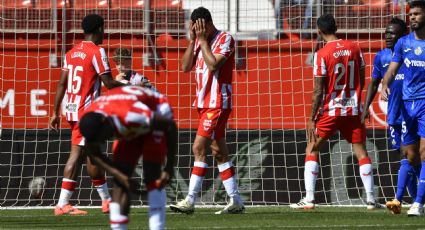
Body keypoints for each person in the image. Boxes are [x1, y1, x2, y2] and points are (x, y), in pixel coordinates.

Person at [289, 14, 382, 210]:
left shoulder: (322, 54)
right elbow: (363, 78)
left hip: (332, 110)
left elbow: (318, 90)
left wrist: (311, 118)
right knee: (361, 151)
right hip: (353, 109)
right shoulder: (355, 47)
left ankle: (309, 199)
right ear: (337, 26)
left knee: (312, 148)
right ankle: (371, 199)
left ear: (318, 31)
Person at [169, 6, 244, 214]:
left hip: (217, 102)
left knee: (198, 148)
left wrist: (201, 41)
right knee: (219, 152)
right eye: (194, 28)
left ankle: (190, 200)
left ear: (208, 24)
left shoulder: (225, 39)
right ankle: (236, 201)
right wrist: (193, 40)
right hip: (203, 103)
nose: (198, 30)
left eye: (200, 27)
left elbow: (213, 65)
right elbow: (184, 67)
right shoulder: (198, 40)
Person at [49, 14, 124, 215]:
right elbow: (108, 83)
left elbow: (62, 84)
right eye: (103, 29)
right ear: (99, 29)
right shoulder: (97, 52)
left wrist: (55, 112)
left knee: (93, 155)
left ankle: (106, 201)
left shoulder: (71, 53)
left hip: (72, 109)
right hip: (86, 112)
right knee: (77, 154)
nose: (104, 34)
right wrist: (129, 84)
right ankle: (62, 204)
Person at [79, 85, 176, 230]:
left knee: (153, 175)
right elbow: (92, 151)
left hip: (156, 111)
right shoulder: (91, 118)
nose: (104, 141)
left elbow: (170, 126)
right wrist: (123, 177)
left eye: (103, 137)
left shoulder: (132, 116)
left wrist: (169, 168)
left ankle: (157, 227)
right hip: (127, 121)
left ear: (105, 123)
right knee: (119, 181)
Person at [361, 18, 419, 214]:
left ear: (402, 36)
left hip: (410, 113)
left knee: (408, 155)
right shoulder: (382, 57)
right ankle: (416, 199)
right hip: (393, 116)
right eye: (386, 33)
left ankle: (404, 199)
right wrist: (365, 107)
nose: (387, 36)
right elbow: (374, 82)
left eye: (392, 33)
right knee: (406, 158)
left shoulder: (411, 54)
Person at [381, 0, 425, 217]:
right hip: (408, 106)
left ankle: (417, 203)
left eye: (417, 14)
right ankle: (398, 200)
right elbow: (392, 68)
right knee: (409, 155)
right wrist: (384, 84)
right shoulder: (403, 43)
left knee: (424, 153)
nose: (413, 17)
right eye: (411, 14)